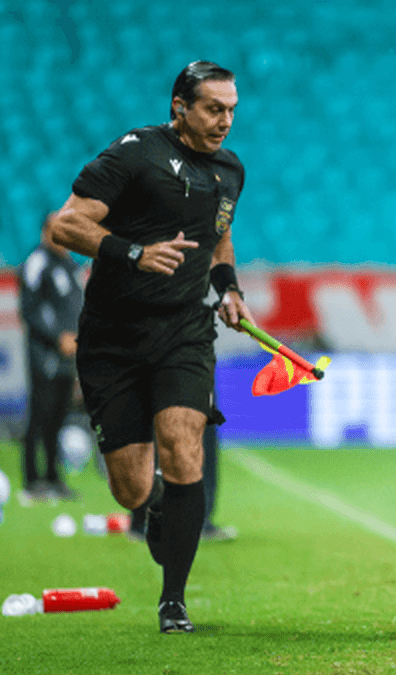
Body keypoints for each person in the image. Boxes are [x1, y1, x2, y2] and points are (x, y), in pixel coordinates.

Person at [47, 60, 253, 633]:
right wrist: (134, 252)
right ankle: (160, 502)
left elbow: (220, 236)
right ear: (179, 107)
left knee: (182, 440)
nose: (225, 121)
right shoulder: (135, 153)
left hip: (185, 331)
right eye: (214, 109)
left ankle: (174, 602)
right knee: (130, 488)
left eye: (232, 110)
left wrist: (228, 289)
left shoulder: (231, 170)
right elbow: (68, 224)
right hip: (112, 337)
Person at [17, 215, 85, 503]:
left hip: (69, 354)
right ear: (47, 232)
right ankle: (33, 480)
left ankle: (54, 477)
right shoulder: (37, 262)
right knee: (40, 414)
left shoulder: (70, 265)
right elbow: (29, 310)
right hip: (44, 353)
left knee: (59, 414)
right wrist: (58, 336)